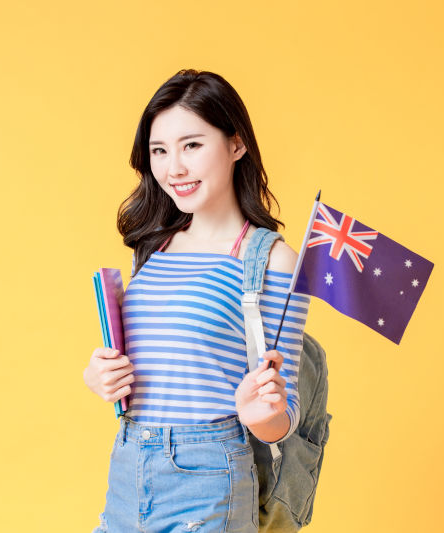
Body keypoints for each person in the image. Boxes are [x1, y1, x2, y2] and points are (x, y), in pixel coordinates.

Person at [84, 69, 311, 533]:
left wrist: (262, 417)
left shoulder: (271, 259)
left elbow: (285, 417)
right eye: (159, 151)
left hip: (209, 475)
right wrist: (101, 376)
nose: (174, 169)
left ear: (236, 144)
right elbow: (154, 366)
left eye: (192, 145)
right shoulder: (152, 247)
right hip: (129, 466)